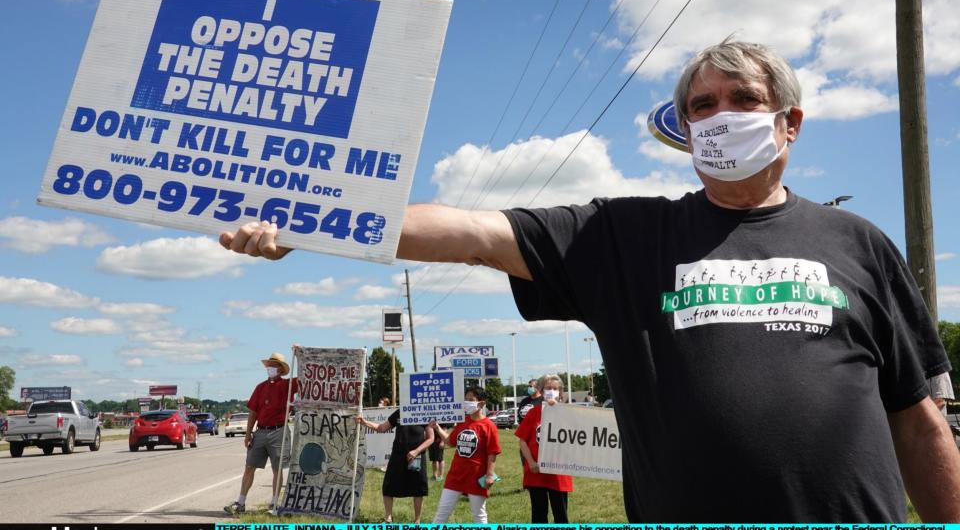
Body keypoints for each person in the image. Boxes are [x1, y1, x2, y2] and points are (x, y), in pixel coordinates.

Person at [219, 41, 960, 522]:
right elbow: (474, 234)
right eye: (702, 105)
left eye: (742, 100)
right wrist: (313, 221)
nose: (720, 116)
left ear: (789, 123)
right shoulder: (625, 236)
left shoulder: (858, 244)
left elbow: (918, 421)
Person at [224, 352, 297, 515]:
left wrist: (299, 354)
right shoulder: (260, 387)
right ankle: (240, 503)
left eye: (274, 365)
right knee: (249, 466)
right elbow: (253, 412)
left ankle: (274, 505)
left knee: (277, 469)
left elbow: (307, 376)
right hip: (261, 431)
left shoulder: (288, 385)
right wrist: (248, 433)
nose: (270, 368)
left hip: (279, 431)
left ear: (280, 369)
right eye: (269, 365)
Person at [428, 387, 501, 523]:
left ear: (481, 403)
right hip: (456, 476)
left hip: (476, 476)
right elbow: (450, 441)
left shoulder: (489, 426)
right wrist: (437, 427)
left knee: (479, 515)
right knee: (442, 513)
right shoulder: (463, 422)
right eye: (465, 399)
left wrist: (490, 475)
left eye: (471, 400)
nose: (467, 402)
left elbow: (493, 452)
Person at [356, 409, 434, 523]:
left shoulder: (424, 411)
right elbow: (381, 428)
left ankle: (417, 521)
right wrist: (364, 422)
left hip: (416, 456)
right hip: (398, 455)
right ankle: (388, 518)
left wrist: (416, 451)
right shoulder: (399, 412)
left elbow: (430, 438)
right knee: (388, 486)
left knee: (418, 488)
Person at [515, 375, 573, 523]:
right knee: (539, 516)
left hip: (559, 473)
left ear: (560, 392)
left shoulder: (569, 414)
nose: (551, 391)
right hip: (536, 472)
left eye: (555, 388)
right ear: (541, 390)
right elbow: (522, 441)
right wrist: (531, 462)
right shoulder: (533, 413)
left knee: (561, 516)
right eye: (548, 388)